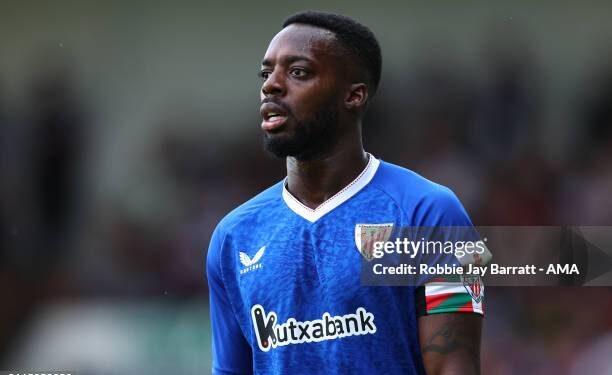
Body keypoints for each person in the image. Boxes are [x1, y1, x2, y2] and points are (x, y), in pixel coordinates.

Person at [207, 11, 484, 375]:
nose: (271, 85)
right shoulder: (233, 236)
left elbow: (454, 366)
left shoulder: (431, 214)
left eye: (298, 72)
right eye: (266, 73)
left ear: (354, 95)